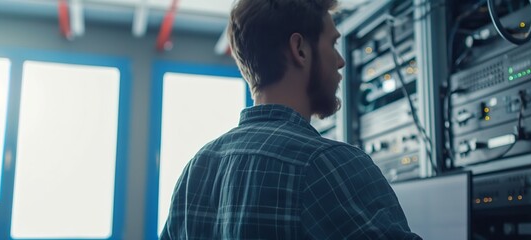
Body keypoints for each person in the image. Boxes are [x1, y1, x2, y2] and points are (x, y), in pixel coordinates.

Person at [160, 0, 420, 239]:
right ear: (300, 50)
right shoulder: (328, 165)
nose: (340, 61)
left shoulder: (196, 170)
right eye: (332, 44)